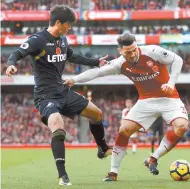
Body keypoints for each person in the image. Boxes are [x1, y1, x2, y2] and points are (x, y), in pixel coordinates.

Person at [5, 5, 112, 186]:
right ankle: (62, 176)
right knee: (58, 127)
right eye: (68, 25)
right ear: (57, 23)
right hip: (46, 96)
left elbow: (72, 56)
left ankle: (102, 148)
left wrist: (96, 62)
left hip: (63, 91)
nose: (69, 28)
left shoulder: (62, 40)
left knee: (97, 114)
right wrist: (11, 64)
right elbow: (17, 52)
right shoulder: (38, 40)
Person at [63, 31, 189, 181]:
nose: (133, 54)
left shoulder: (152, 51)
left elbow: (178, 60)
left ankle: (153, 158)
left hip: (169, 99)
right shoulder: (119, 63)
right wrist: (74, 79)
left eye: (134, 49)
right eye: (128, 52)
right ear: (120, 51)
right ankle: (113, 172)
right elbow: (97, 73)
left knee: (181, 126)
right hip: (145, 102)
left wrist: (171, 83)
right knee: (124, 130)